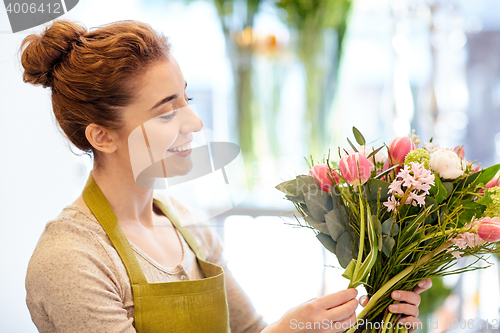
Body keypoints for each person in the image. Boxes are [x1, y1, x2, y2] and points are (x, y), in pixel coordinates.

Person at [21, 19, 431, 333]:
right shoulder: (72, 258)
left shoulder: (188, 227)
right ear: (102, 136)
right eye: (167, 112)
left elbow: (252, 331)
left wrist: (373, 316)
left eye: (188, 99)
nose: (195, 123)